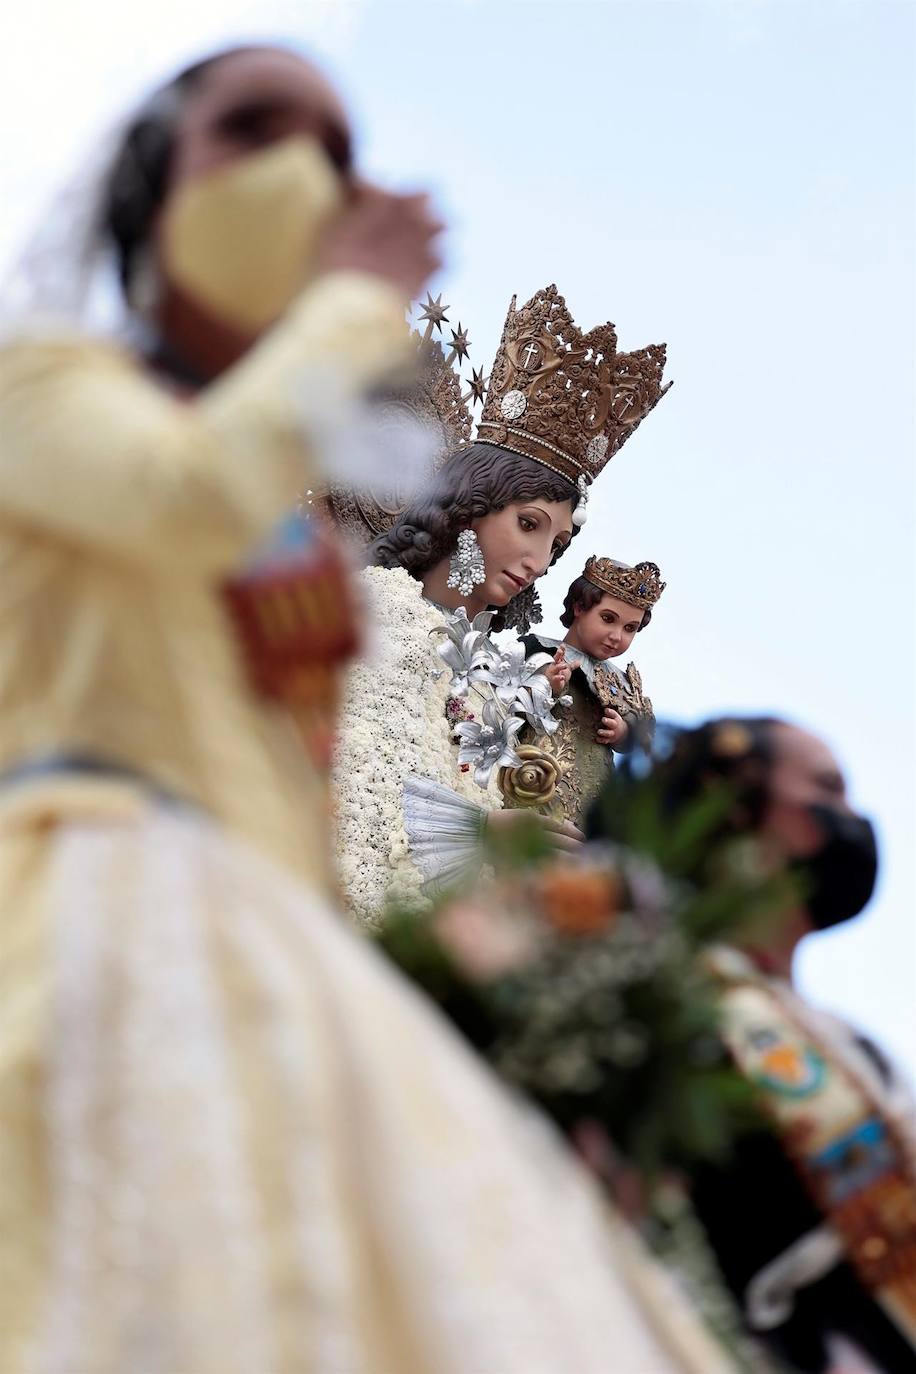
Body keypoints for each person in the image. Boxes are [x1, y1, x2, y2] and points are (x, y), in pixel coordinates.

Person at [0, 45, 714, 1374]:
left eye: (331, 149)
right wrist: (350, 306)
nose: (295, 175)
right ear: (150, 185)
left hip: (272, 952)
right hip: (78, 902)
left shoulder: (301, 552)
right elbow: (179, 493)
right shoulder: (40, 384)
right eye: (249, 131)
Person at [333, 283, 672, 925]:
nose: (541, 561)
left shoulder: (494, 674)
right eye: (529, 524)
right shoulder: (373, 610)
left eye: (558, 542)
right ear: (472, 504)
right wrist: (481, 832)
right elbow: (347, 778)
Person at [596, 717, 916, 1374]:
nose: (852, 817)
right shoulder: (656, 997)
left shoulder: (857, 1049)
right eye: (827, 789)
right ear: (737, 814)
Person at [514, 555, 665, 827]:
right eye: (608, 619)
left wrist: (623, 732)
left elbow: (647, 736)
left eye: (630, 628)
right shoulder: (538, 649)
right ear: (579, 606)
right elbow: (500, 703)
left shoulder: (622, 682)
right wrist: (545, 685)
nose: (617, 636)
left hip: (594, 796)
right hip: (532, 781)